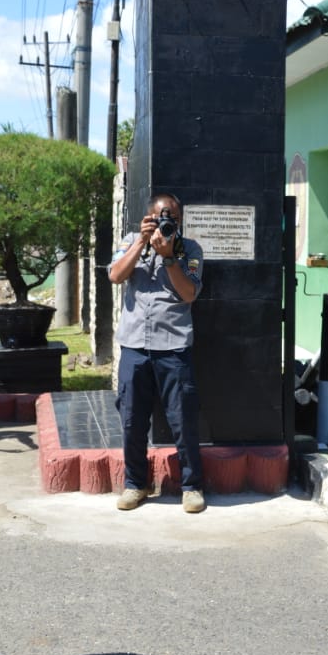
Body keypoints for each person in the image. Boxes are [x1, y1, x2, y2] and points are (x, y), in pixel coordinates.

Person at [108, 192, 206, 514]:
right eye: (163, 217)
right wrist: (141, 243)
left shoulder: (189, 249)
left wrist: (168, 258)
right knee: (132, 420)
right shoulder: (131, 241)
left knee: (183, 420)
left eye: (174, 218)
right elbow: (115, 275)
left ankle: (191, 488)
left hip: (174, 347)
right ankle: (136, 484)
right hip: (135, 345)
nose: (169, 223)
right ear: (149, 217)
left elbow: (189, 293)